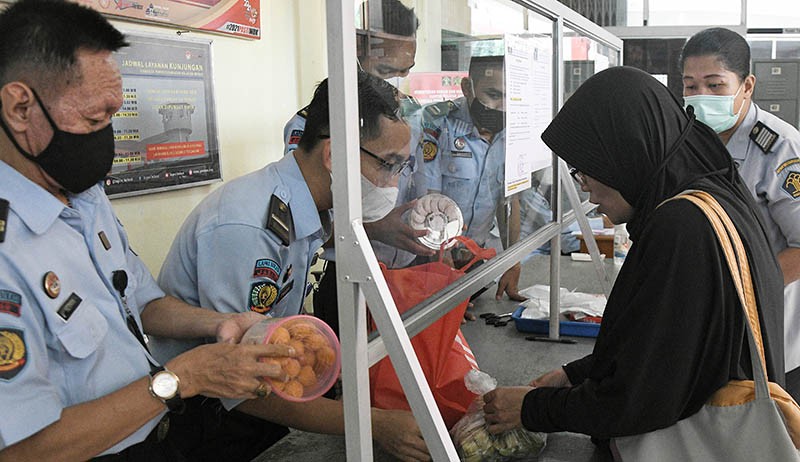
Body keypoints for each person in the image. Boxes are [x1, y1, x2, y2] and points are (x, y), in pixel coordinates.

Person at [0, 1, 297, 460]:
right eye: (94, 120)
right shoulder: (7, 251)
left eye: (114, 114)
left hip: (160, 435)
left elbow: (142, 302)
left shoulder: (82, 193)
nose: (107, 138)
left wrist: (222, 323)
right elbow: (23, 450)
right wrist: (183, 378)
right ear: (20, 107)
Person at [481, 67, 785, 458]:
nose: (584, 184)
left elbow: (641, 400)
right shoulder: (711, 191)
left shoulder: (682, 226)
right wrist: (575, 374)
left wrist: (530, 409)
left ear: (625, 151)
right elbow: (670, 343)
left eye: (587, 167)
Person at [152, 70, 431, 461]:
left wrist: (380, 229)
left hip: (264, 393)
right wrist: (373, 423)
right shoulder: (249, 225)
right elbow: (237, 380)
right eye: (388, 164)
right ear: (334, 155)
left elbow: (310, 246)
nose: (393, 182)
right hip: (205, 414)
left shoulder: (306, 203)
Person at [680, 27, 800, 401]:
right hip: (713, 321)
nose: (701, 97)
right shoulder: (690, 138)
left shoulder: (780, 149)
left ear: (746, 86)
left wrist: (740, 290)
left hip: (772, 324)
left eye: (715, 86)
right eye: (690, 85)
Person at [420, 54, 525, 302]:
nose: (502, 106)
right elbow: (427, 200)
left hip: (475, 261)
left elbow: (509, 202)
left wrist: (513, 261)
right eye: (494, 94)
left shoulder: (513, 133)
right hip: (434, 261)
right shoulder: (438, 123)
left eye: (510, 97)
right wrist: (442, 271)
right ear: (467, 88)